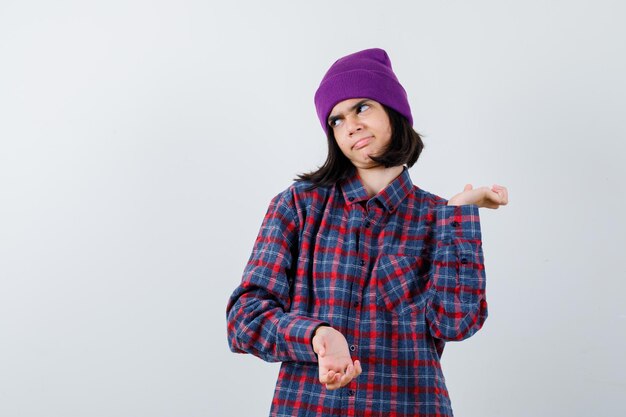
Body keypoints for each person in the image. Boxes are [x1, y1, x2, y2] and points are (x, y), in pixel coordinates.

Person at [226, 48, 508, 417]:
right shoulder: (298, 206)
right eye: (337, 120)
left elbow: (456, 322)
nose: (351, 125)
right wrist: (317, 335)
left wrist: (459, 214)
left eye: (362, 108)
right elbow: (244, 318)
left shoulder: (438, 217)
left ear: (394, 111)